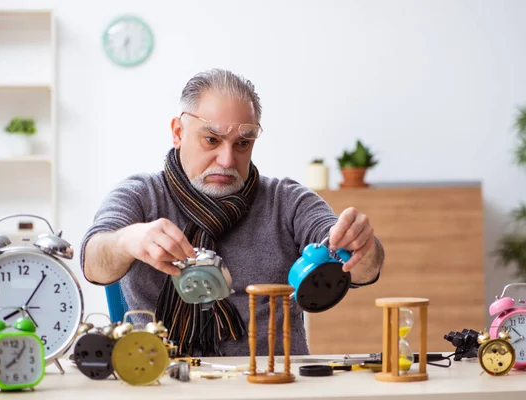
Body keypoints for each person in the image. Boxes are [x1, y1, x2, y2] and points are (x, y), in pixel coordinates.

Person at [81, 68, 384, 358]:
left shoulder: (287, 200)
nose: (227, 160)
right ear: (178, 132)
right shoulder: (139, 196)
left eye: (243, 143)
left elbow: (361, 270)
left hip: (270, 383)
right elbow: (93, 263)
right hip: (161, 376)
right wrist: (127, 240)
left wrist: (362, 245)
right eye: (211, 139)